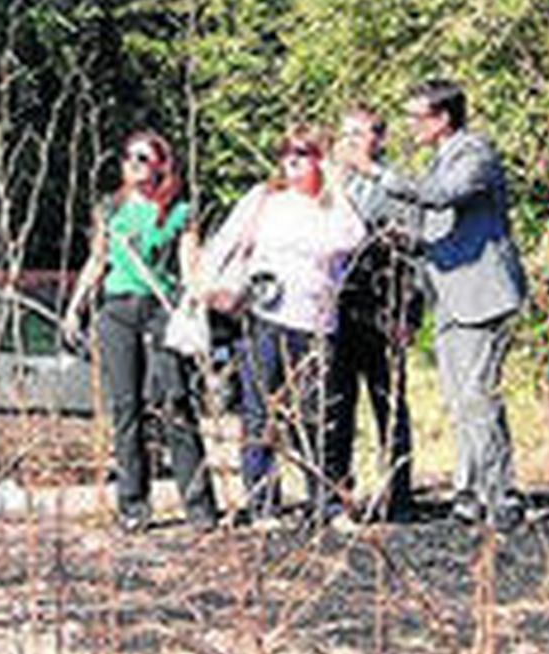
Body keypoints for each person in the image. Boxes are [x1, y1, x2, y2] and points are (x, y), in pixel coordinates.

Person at [345, 79, 527, 531]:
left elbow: (444, 196)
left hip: (482, 294)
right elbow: (429, 223)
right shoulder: (437, 160)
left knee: (478, 397)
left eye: (416, 117)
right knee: (458, 400)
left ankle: (502, 494)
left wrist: (373, 170)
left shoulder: (474, 155)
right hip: (448, 295)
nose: (409, 127)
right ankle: (469, 494)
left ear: (443, 118)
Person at [200, 124, 365, 525]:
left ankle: (326, 501)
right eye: (286, 153)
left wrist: (337, 187)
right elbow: (226, 241)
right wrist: (207, 286)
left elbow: (352, 237)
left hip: (317, 321)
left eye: (304, 153)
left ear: (320, 159)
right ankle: (263, 503)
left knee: (320, 413)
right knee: (261, 413)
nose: (292, 160)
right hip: (267, 316)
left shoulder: (333, 205)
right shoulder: (265, 199)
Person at [61, 130, 219, 533]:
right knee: (126, 408)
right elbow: (98, 261)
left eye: (144, 158)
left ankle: (199, 506)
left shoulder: (180, 212)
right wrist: (75, 307)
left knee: (175, 402)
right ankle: (133, 506)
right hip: (117, 310)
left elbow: (191, 267)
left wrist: (194, 304)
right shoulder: (111, 209)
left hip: (160, 310)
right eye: (129, 157)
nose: (134, 164)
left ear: (163, 166)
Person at [334, 106, 424, 523]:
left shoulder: (394, 184)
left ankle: (399, 495)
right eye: (345, 133)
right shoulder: (329, 184)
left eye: (361, 133)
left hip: (384, 304)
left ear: (379, 139)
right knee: (338, 405)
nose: (351, 141)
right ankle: (340, 495)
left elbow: (414, 252)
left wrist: (409, 311)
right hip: (338, 308)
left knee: (388, 402)